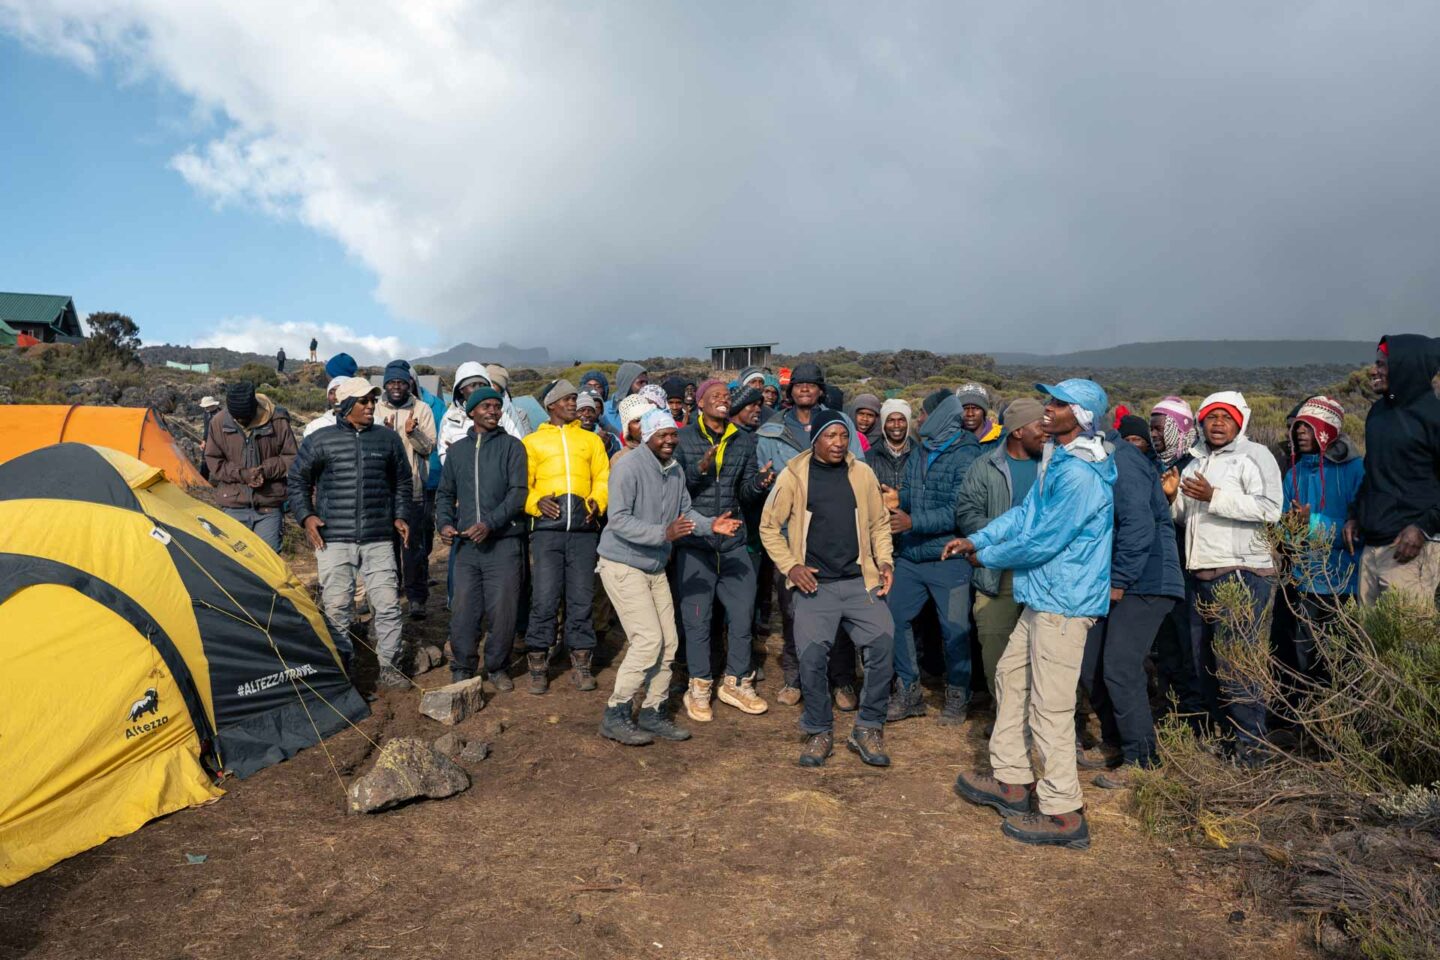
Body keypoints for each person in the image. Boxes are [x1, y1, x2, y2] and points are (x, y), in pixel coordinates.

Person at [947, 379, 1116, 850]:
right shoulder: (1057, 458)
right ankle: (1013, 781)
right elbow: (1026, 517)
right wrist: (978, 539)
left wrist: (989, 558)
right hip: (1042, 594)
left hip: (1064, 603)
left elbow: (1045, 539)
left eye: (1059, 404)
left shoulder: (1081, 475)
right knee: (1010, 676)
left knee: (1051, 706)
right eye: (1049, 400)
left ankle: (1064, 813)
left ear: (1081, 416)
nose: (1048, 408)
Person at [597, 409, 743, 745]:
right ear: (646, 436)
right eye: (661, 434)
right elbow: (617, 520)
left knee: (669, 642)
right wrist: (664, 532)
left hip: (654, 564)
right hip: (622, 564)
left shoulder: (675, 470)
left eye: (673, 434)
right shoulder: (627, 468)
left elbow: (686, 513)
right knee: (648, 640)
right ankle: (615, 712)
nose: (669, 440)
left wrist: (710, 525)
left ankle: (653, 711)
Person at [759, 410, 897, 769]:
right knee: (811, 656)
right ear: (815, 439)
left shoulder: (862, 473)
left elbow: (880, 523)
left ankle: (868, 726)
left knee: (883, 643)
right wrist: (791, 566)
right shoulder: (794, 475)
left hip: (858, 581)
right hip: (815, 585)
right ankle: (819, 729)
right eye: (830, 436)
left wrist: (885, 561)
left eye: (843, 436)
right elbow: (769, 527)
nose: (838, 443)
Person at [1165, 391, 1282, 763]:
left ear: (1240, 422)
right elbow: (1186, 516)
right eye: (1211, 417)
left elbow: (1271, 509)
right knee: (1207, 665)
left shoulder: (1256, 456)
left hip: (1242, 572)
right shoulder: (1196, 460)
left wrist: (1215, 496)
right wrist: (1172, 499)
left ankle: (1253, 750)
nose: (1217, 424)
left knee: (1237, 664)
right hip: (1201, 572)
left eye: (1225, 418)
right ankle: (1230, 740)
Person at [1079, 411, 1184, 788]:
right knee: (1091, 663)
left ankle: (1143, 759)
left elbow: (1139, 525)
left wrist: (1120, 578)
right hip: (1115, 579)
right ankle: (1115, 744)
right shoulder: (1096, 459)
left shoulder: (1123, 460)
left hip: (1148, 581)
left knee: (1120, 666)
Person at [289, 377, 413, 688]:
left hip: (379, 538)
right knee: (337, 609)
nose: (371, 406)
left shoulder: (387, 440)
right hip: (334, 539)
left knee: (387, 605)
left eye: (373, 400)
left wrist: (400, 515)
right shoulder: (320, 440)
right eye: (363, 401)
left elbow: (402, 482)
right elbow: (297, 482)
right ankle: (342, 674)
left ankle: (390, 669)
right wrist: (306, 516)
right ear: (345, 406)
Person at [755, 362, 862, 708]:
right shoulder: (771, 430)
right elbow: (763, 486)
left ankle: (842, 681)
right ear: (790, 391)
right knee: (793, 613)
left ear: (820, 390)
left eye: (811, 384)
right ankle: (794, 677)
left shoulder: (839, 423)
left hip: (836, 533)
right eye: (798, 384)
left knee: (840, 612)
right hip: (791, 538)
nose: (804, 389)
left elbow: (858, 471)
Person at [673, 379, 775, 721]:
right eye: (715, 396)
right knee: (698, 618)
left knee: (742, 614)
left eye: (726, 397)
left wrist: (759, 484)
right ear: (700, 404)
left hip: (733, 542)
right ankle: (699, 685)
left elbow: (744, 493)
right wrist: (700, 469)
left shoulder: (743, 440)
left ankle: (736, 682)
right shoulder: (684, 438)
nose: (723, 400)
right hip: (695, 543)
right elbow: (675, 490)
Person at [884, 395, 983, 724]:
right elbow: (914, 494)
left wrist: (913, 522)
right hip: (912, 555)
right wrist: (898, 499)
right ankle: (909, 691)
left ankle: (958, 694)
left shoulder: (969, 455)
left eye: (925, 413)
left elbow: (959, 509)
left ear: (942, 416)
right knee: (894, 618)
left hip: (950, 556)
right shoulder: (922, 450)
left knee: (955, 629)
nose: (920, 419)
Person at [522, 378, 610, 694]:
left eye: (575, 399)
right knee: (544, 597)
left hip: (585, 532)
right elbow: (524, 486)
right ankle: (537, 665)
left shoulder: (591, 441)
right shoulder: (532, 442)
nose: (574, 404)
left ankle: (582, 664)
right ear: (551, 406)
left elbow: (602, 477)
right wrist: (535, 502)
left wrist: (598, 501)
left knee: (581, 598)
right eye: (567, 399)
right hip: (546, 533)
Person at [436, 387, 528, 689]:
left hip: (503, 542)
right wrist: (445, 524)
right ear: (471, 412)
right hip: (465, 545)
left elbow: (518, 494)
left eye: (496, 406)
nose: (493, 411)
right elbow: (445, 493)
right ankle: (463, 664)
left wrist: (490, 524)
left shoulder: (513, 447)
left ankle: (497, 667)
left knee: (503, 608)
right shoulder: (458, 452)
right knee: (464, 607)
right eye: (486, 406)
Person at [955, 397, 1045, 696]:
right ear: (1018, 431)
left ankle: (1065, 718)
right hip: (997, 572)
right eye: (1039, 426)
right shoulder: (984, 466)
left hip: (1042, 570)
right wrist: (1005, 537)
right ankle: (1004, 711)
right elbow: (967, 514)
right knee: (995, 644)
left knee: (1045, 648)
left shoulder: (1053, 466)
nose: (1046, 433)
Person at [1344, 335, 1440, 610]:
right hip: (1372, 547)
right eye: (1376, 363)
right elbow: (1374, 473)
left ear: (1405, 367)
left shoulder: (1433, 417)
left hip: (1411, 548)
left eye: (1382, 365)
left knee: (1407, 645)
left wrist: (1423, 528)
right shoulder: (1378, 413)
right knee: (1371, 645)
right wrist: (1356, 514)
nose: (1373, 371)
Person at [1275, 396, 1363, 687]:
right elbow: (1285, 529)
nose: (1299, 432)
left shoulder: (1355, 470)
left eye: (1308, 426)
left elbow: (1359, 531)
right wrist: (1291, 528)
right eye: (1298, 426)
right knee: (1306, 658)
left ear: (1326, 428)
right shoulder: (1295, 473)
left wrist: (1310, 524)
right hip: (1305, 581)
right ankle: (1314, 724)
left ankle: (1339, 726)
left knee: (1342, 658)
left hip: (1344, 582)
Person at [204, 381, 298, 552]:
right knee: (236, 563)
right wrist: (242, 474)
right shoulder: (218, 422)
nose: (240, 421)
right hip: (233, 504)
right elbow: (214, 460)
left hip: (269, 505)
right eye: (236, 418)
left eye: (245, 418)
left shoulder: (277, 420)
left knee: (269, 562)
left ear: (255, 408)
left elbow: (292, 457)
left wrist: (265, 471)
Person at [376, 360, 438, 619]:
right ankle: (391, 594)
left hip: (412, 488)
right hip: (381, 491)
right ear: (385, 385)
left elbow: (429, 447)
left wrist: (413, 434)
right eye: (392, 382)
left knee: (413, 546)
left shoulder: (422, 409)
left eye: (401, 382)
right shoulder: (375, 409)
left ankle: (416, 598)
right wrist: (385, 434)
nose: (397, 387)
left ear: (409, 383)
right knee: (385, 548)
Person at [438, 362, 494, 460]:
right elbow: (443, 453)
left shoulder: (499, 414)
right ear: (461, 389)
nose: (478, 390)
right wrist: (455, 458)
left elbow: (514, 447)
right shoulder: (450, 418)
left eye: (482, 385)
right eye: (473, 385)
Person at [866, 398, 913, 500]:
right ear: (883, 424)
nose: (896, 425)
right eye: (891, 420)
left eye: (901, 420)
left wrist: (901, 499)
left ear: (908, 423)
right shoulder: (869, 458)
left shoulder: (921, 456)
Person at [485, 364, 533, 438]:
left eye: (493, 384)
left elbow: (524, 440)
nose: (490, 388)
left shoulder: (518, 413)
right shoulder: (473, 406)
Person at [601, 362, 649, 434]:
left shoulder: (650, 411)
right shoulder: (603, 410)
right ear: (626, 383)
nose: (645, 387)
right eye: (641, 382)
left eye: (646, 382)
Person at [611, 393, 656, 464]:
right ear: (627, 427)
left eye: (646, 418)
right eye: (637, 421)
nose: (644, 424)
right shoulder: (620, 459)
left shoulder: (663, 451)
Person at [955, 383, 1002, 448]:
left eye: (976, 408)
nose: (970, 414)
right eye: (964, 408)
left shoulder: (1001, 437)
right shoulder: (950, 438)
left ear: (984, 411)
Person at [578, 390, 621, 457]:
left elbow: (620, 461)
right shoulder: (566, 438)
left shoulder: (610, 438)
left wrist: (609, 448)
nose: (587, 414)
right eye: (582, 410)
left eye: (592, 410)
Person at [197, 395, 221, 481]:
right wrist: (204, 441)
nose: (205, 409)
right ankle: (203, 481)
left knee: (218, 462)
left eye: (207, 407)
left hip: (218, 443)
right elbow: (206, 428)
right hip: (208, 441)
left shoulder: (220, 415)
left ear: (212, 405)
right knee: (204, 462)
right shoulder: (206, 413)